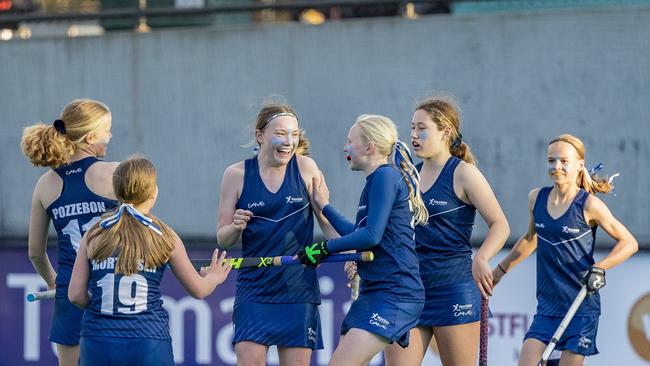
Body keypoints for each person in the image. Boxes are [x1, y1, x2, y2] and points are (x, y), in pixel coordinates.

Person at [68, 157, 232, 365]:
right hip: (148, 342)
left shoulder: (95, 232)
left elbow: (75, 295)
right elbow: (199, 290)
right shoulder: (164, 235)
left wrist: (101, 305)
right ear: (153, 193)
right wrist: (214, 277)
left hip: (99, 342)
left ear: (116, 192)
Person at [384, 96, 510, 366]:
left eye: (422, 128)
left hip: (453, 289)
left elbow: (500, 224)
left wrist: (482, 257)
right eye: (412, 128)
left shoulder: (464, 173)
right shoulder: (407, 177)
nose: (414, 135)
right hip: (410, 291)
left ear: (446, 132)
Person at [491, 134, 638, 366]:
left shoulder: (589, 205)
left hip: (580, 308)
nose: (556, 166)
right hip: (547, 308)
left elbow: (629, 243)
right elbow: (531, 238)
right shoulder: (536, 198)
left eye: (563, 161)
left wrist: (599, 268)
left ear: (579, 165)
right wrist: (499, 271)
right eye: (551, 160)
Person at [298, 114, 427, 366]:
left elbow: (370, 236)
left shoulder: (385, 177)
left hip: (395, 293)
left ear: (369, 147)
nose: (346, 147)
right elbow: (357, 231)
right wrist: (323, 206)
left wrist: (323, 248)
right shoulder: (377, 179)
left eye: (350, 141)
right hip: (374, 292)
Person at [216, 101, 336, 366]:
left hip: (298, 291)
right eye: (281, 134)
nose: (289, 142)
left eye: (294, 134)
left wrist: (349, 255)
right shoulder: (235, 174)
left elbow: (327, 224)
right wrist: (235, 227)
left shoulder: (306, 168)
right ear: (260, 136)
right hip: (254, 290)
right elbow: (223, 238)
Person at [20, 99, 118, 366]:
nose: (110, 135)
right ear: (90, 136)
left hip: (70, 296)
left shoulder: (45, 184)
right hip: (113, 292)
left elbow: (35, 252)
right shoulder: (116, 173)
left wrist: (56, 283)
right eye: (107, 129)